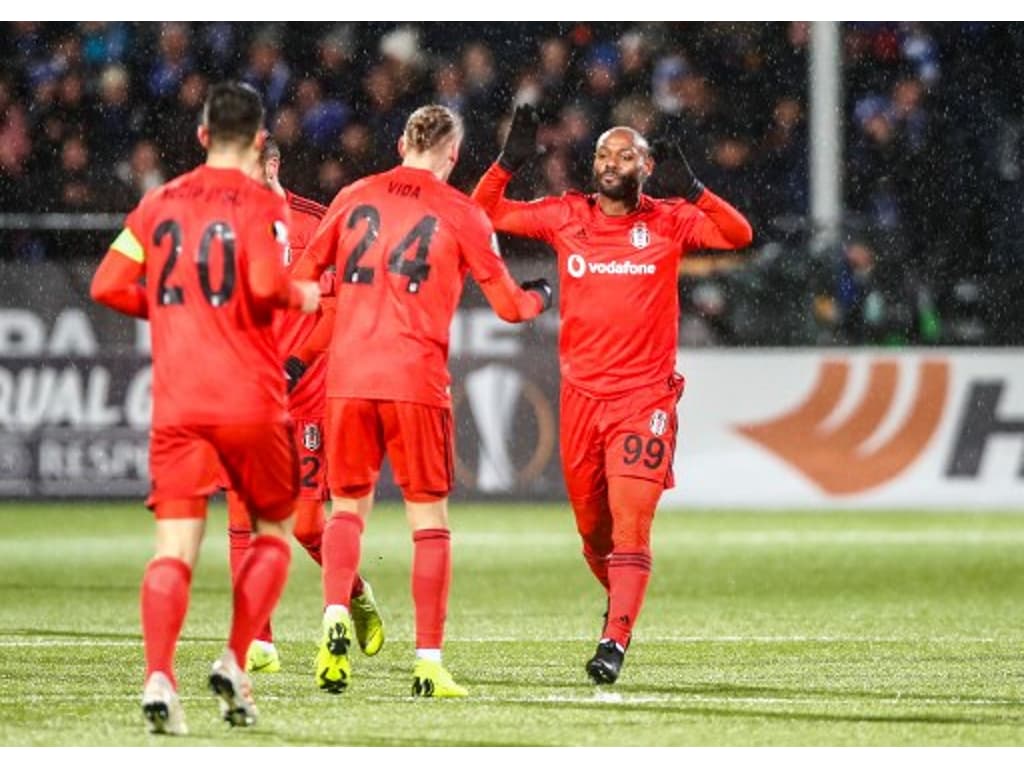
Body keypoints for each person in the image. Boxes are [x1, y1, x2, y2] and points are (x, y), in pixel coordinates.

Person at [471, 105, 753, 684]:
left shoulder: (671, 220)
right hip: (580, 401)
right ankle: (624, 597)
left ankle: (614, 640)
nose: (610, 163)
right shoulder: (566, 215)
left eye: (625, 155)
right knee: (593, 537)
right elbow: (482, 214)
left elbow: (738, 234)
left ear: (647, 167)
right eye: (603, 153)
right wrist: (506, 163)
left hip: (644, 401)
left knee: (630, 527)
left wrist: (696, 190)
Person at [292, 104, 552, 698]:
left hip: (350, 378)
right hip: (415, 381)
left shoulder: (354, 195)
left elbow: (305, 277)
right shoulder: (460, 212)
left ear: (401, 141)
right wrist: (542, 295)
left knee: (347, 510)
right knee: (428, 523)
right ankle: (429, 665)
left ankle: (335, 614)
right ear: (454, 155)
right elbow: (510, 308)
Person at [90, 81, 319, 734]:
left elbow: (106, 284)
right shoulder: (261, 201)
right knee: (274, 532)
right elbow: (265, 284)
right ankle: (235, 659)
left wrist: (167, 310)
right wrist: (299, 296)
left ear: (200, 136)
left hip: (180, 402)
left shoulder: (159, 203)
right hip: (250, 397)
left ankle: (159, 675)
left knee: (173, 551)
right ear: (255, 141)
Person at [225, 138, 385, 675]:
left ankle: (354, 591)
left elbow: (337, 308)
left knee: (307, 526)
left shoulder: (315, 223)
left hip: (306, 393)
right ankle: (258, 639)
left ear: (272, 165)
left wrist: (294, 362)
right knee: (242, 520)